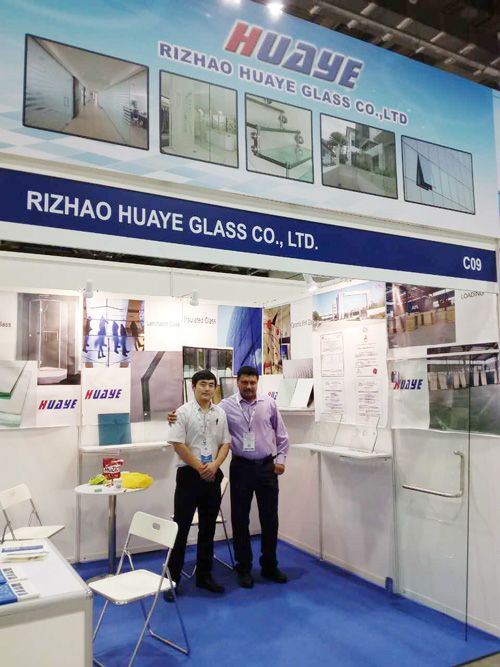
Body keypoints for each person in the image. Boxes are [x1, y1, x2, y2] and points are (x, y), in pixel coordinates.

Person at [168, 365, 289, 589]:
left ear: (257, 382)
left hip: (263, 467)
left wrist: (280, 460)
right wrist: (172, 418)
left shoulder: (265, 404)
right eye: (244, 382)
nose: (249, 386)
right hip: (235, 468)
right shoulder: (222, 407)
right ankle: (241, 568)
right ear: (237, 382)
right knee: (236, 520)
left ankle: (268, 566)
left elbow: (279, 435)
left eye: (253, 382)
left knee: (268, 519)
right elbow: (180, 440)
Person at [166, 370, 231, 600]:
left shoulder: (220, 413)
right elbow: (178, 444)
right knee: (180, 529)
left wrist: (214, 466)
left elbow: (225, 443)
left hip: (212, 475)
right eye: (203, 384)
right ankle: (172, 580)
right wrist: (199, 467)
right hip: (189, 476)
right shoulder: (181, 413)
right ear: (193, 386)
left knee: (208, 528)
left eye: (211, 385)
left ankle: (204, 576)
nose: (207, 389)